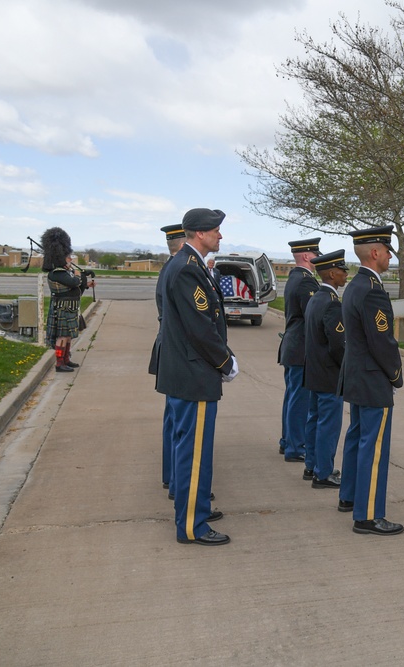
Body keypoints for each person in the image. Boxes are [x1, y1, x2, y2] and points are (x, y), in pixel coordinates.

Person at [156, 208, 238, 546]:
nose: (220, 236)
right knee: (194, 454)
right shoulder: (188, 270)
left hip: (184, 373)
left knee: (188, 449)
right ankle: (193, 526)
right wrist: (225, 361)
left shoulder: (189, 266)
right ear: (200, 234)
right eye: (216, 231)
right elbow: (201, 329)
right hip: (194, 375)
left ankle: (196, 507)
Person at [337, 225, 404, 536]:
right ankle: (368, 516)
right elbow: (383, 342)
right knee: (374, 447)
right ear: (375, 253)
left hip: (355, 374)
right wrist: (396, 374)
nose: (390, 255)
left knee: (357, 439)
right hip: (372, 378)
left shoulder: (354, 285)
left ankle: (350, 496)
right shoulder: (372, 290)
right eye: (387, 250)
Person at [303, 250, 348, 488]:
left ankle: (312, 465)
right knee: (328, 426)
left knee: (314, 420)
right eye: (342, 270)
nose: (346, 274)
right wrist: (347, 369)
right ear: (332, 273)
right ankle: (323, 472)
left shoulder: (315, 298)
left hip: (314, 371)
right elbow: (338, 345)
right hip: (329, 373)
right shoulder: (332, 304)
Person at [148, 223, 186, 495]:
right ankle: (176, 480)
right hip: (176, 350)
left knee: (173, 418)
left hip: (168, 347)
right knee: (177, 420)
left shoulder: (168, 269)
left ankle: (171, 476)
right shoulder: (179, 270)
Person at [278, 238, 321, 463]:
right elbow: (313, 316)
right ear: (306, 256)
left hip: (293, 346)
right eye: (315, 254)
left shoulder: (295, 277)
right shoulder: (305, 282)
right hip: (300, 347)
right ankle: (296, 446)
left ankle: (288, 441)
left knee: (292, 396)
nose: (317, 258)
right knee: (299, 399)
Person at [41, 227, 93, 373]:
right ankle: (59, 363)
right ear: (60, 257)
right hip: (63, 308)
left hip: (70, 307)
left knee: (68, 336)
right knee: (62, 337)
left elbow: (76, 290)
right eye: (68, 257)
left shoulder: (64, 273)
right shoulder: (57, 273)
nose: (70, 259)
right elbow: (74, 283)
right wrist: (80, 275)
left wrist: (86, 284)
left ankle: (66, 359)